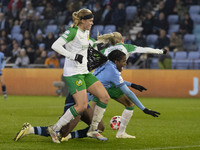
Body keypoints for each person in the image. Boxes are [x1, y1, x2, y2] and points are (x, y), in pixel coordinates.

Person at [14, 50, 160, 142]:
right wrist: (144, 108)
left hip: (86, 100)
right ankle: (31, 129)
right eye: (123, 62)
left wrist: (132, 84)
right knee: (62, 132)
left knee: (100, 127)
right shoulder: (113, 71)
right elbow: (127, 92)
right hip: (78, 97)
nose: (125, 64)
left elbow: (110, 79)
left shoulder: (107, 64)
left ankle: (77, 134)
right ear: (116, 61)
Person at [47, 8, 110, 143]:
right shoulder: (72, 31)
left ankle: (93, 129)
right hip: (73, 73)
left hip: (84, 72)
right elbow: (55, 45)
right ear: (82, 20)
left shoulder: (86, 32)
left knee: (104, 97)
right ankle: (55, 128)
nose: (92, 23)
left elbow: (87, 44)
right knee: (81, 106)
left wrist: (100, 42)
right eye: (90, 21)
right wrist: (73, 56)